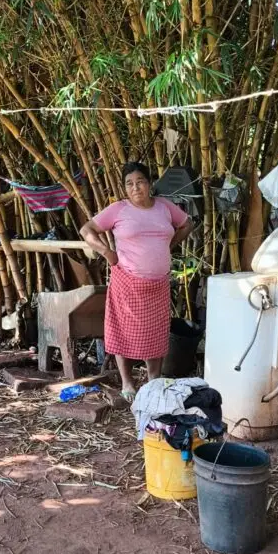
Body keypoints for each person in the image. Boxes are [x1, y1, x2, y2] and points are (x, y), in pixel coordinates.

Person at [80, 162, 193, 399]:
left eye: (140, 181)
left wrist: (170, 244)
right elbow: (87, 230)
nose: (135, 187)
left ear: (150, 184)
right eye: (129, 183)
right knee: (122, 330)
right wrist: (106, 252)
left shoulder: (164, 207)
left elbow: (186, 224)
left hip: (158, 283)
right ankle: (127, 382)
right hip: (127, 281)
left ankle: (154, 379)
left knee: (156, 331)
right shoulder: (119, 209)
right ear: (124, 188)